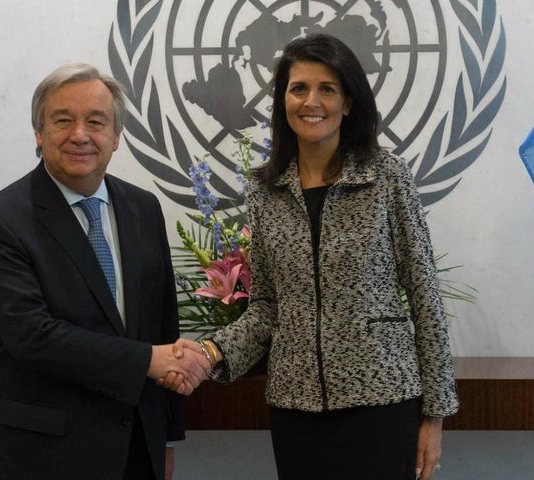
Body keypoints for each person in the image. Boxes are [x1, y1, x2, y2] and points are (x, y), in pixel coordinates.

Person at [165, 34, 459, 479]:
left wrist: (434, 416)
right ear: (283, 99)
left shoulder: (387, 175)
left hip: (382, 402)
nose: (311, 101)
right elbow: (265, 308)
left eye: (327, 89)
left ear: (348, 103)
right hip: (295, 407)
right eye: (298, 88)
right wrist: (209, 353)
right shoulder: (265, 189)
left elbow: (425, 297)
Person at [0, 63, 210, 480]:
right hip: (39, 457)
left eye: (96, 122)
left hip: (136, 450)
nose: (80, 134)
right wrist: (148, 360)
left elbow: (162, 325)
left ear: (115, 137)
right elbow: (32, 337)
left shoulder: (143, 208)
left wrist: (165, 439)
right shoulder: (0, 221)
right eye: (63, 121)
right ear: (39, 134)